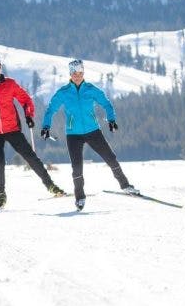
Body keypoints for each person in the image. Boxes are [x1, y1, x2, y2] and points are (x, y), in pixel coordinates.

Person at [0, 55, 66, 209]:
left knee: (30, 156)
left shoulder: (10, 84)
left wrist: (29, 115)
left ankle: (50, 185)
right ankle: (1, 194)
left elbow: (26, 100)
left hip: (12, 129)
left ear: (0, 68)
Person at [40, 59, 138, 210]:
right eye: (74, 73)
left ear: (83, 73)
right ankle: (80, 198)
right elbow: (51, 109)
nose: (77, 76)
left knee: (110, 157)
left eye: (80, 73)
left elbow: (106, 104)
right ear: (70, 74)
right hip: (73, 134)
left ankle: (125, 185)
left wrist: (111, 120)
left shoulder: (91, 89)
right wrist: (46, 126)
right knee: (77, 167)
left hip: (93, 131)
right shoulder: (63, 92)